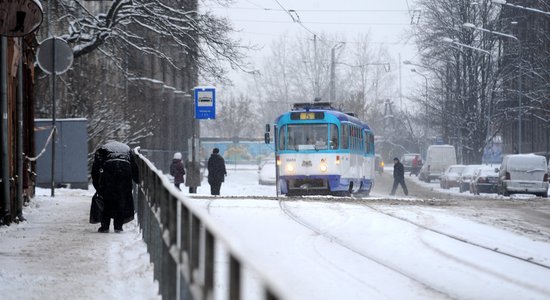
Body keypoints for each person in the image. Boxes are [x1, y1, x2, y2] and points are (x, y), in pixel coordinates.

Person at [90, 141, 139, 233]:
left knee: (107, 200)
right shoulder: (127, 149)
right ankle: (118, 226)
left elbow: (95, 168)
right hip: (125, 173)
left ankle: (105, 227)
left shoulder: (103, 149)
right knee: (121, 200)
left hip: (108, 174)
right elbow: (134, 167)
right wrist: (138, 180)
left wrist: (98, 187)